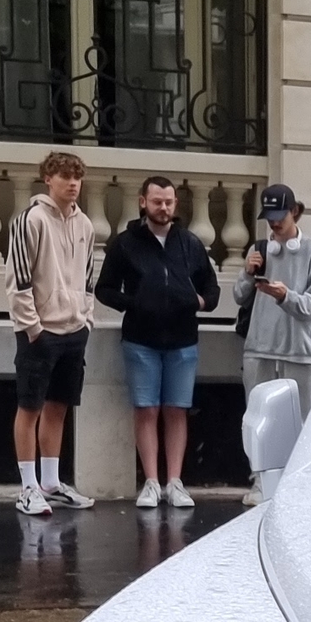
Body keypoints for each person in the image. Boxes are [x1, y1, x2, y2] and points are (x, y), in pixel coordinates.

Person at [93, 172, 220, 509]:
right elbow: (103, 289)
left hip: (182, 340)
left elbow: (212, 289)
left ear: (175, 203)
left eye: (168, 202)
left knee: (177, 410)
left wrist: (199, 303)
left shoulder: (190, 243)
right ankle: (151, 481)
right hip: (140, 340)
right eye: (157, 202)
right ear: (142, 202)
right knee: (146, 409)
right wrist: (134, 304)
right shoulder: (124, 243)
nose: (163, 208)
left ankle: (175, 482)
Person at [5, 149, 97, 515]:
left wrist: (85, 320)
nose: (72, 183)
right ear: (48, 179)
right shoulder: (30, 220)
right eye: (64, 176)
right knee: (29, 407)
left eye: (77, 177)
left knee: (58, 407)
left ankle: (51, 483)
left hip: (74, 330)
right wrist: (32, 328)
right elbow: (18, 280)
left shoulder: (86, 225)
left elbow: (89, 279)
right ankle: (27, 488)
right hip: (40, 332)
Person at [239, 183, 311, 444]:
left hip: (300, 352)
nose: (274, 224)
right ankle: (259, 481)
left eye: (280, 216)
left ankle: (294, 481)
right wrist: (247, 272)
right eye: (270, 218)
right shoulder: (259, 249)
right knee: (257, 422)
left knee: (301, 424)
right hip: (260, 349)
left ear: (295, 212)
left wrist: (285, 297)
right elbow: (238, 296)